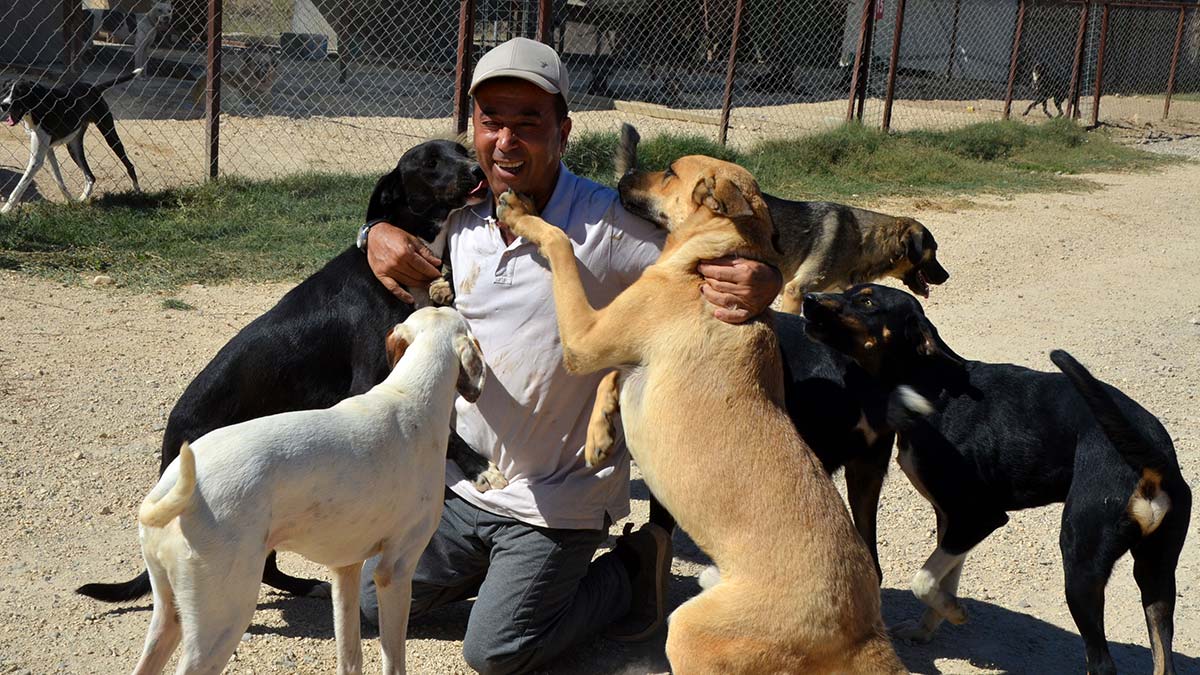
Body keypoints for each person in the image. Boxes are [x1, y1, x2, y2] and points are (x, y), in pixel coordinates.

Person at [357, 37, 781, 674]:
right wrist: (372, 234)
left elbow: (721, 251)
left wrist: (763, 278)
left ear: (563, 132)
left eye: (528, 123)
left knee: (495, 651)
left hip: (557, 500)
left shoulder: (609, 225)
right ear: (473, 128)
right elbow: (387, 229)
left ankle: (630, 571)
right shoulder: (459, 212)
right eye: (491, 121)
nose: (506, 140)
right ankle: (505, 577)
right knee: (372, 601)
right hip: (465, 485)